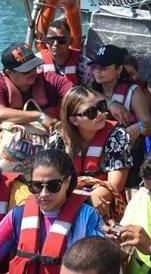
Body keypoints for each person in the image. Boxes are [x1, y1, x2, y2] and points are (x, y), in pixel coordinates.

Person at [0, 149, 105, 274]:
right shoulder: (17, 217)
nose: (44, 194)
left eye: (53, 186)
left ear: (68, 182)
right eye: (37, 186)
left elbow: (104, 267)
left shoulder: (88, 217)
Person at [47, 87, 133, 221]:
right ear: (74, 120)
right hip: (67, 201)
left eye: (101, 106)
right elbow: (48, 180)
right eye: (91, 112)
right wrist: (81, 200)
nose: (100, 113)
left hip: (105, 204)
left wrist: (90, 200)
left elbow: (115, 185)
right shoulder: (58, 139)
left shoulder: (117, 135)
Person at [0, 43, 73, 141]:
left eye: (34, 66)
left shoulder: (50, 80)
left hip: (48, 145)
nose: (32, 72)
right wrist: (39, 116)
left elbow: (78, 97)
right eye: (26, 70)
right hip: (11, 149)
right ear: (9, 72)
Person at [87, 45, 151, 160]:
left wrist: (139, 126)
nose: (97, 71)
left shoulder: (133, 92)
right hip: (94, 154)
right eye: (94, 66)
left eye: (103, 67)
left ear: (119, 69)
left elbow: (149, 125)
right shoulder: (88, 89)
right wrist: (110, 103)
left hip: (124, 155)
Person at [40, 19, 89, 86]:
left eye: (61, 40)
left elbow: (90, 88)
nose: (55, 44)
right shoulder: (38, 62)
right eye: (50, 40)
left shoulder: (82, 62)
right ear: (45, 41)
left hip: (74, 95)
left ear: (71, 41)